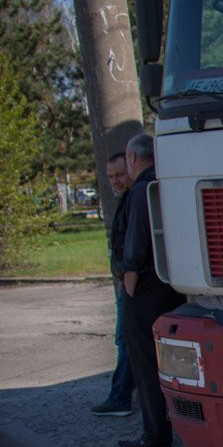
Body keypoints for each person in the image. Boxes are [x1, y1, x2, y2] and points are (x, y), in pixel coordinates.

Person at [114, 133, 185, 447]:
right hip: (170, 284)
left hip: (145, 288)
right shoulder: (166, 183)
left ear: (132, 157)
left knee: (145, 362)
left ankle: (155, 433)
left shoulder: (140, 190)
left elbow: (135, 245)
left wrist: (128, 288)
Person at [90, 153, 135, 417]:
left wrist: (126, 277)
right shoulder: (127, 199)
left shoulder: (134, 199)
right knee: (125, 340)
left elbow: (134, 246)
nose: (114, 181)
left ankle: (120, 398)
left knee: (125, 340)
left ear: (130, 169)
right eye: (110, 177)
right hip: (124, 282)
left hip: (130, 284)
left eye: (119, 175)